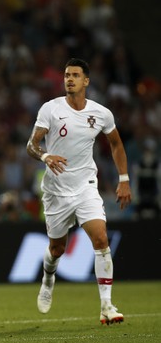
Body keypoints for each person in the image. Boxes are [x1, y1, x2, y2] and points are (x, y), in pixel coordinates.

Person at [26, 58, 131, 325]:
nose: (69, 79)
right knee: (57, 248)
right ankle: (48, 278)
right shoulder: (51, 109)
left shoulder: (101, 114)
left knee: (101, 239)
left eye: (75, 75)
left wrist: (124, 179)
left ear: (86, 81)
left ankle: (107, 306)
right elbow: (32, 145)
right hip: (56, 191)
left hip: (85, 186)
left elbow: (116, 144)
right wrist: (46, 156)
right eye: (66, 75)